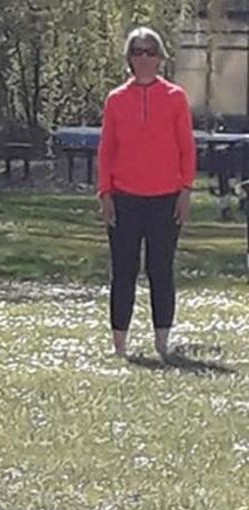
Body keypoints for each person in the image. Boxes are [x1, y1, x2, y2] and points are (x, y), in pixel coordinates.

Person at [97, 26, 195, 358]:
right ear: (129, 58)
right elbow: (107, 150)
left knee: (160, 269)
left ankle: (162, 341)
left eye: (150, 52)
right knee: (123, 271)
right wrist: (105, 193)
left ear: (160, 58)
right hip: (124, 197)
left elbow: (186, 148)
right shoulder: (116, 100)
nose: (144, 58)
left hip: (166, 197)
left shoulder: (175, 98)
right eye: (137, 52)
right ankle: (120, 345)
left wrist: (185, 191)